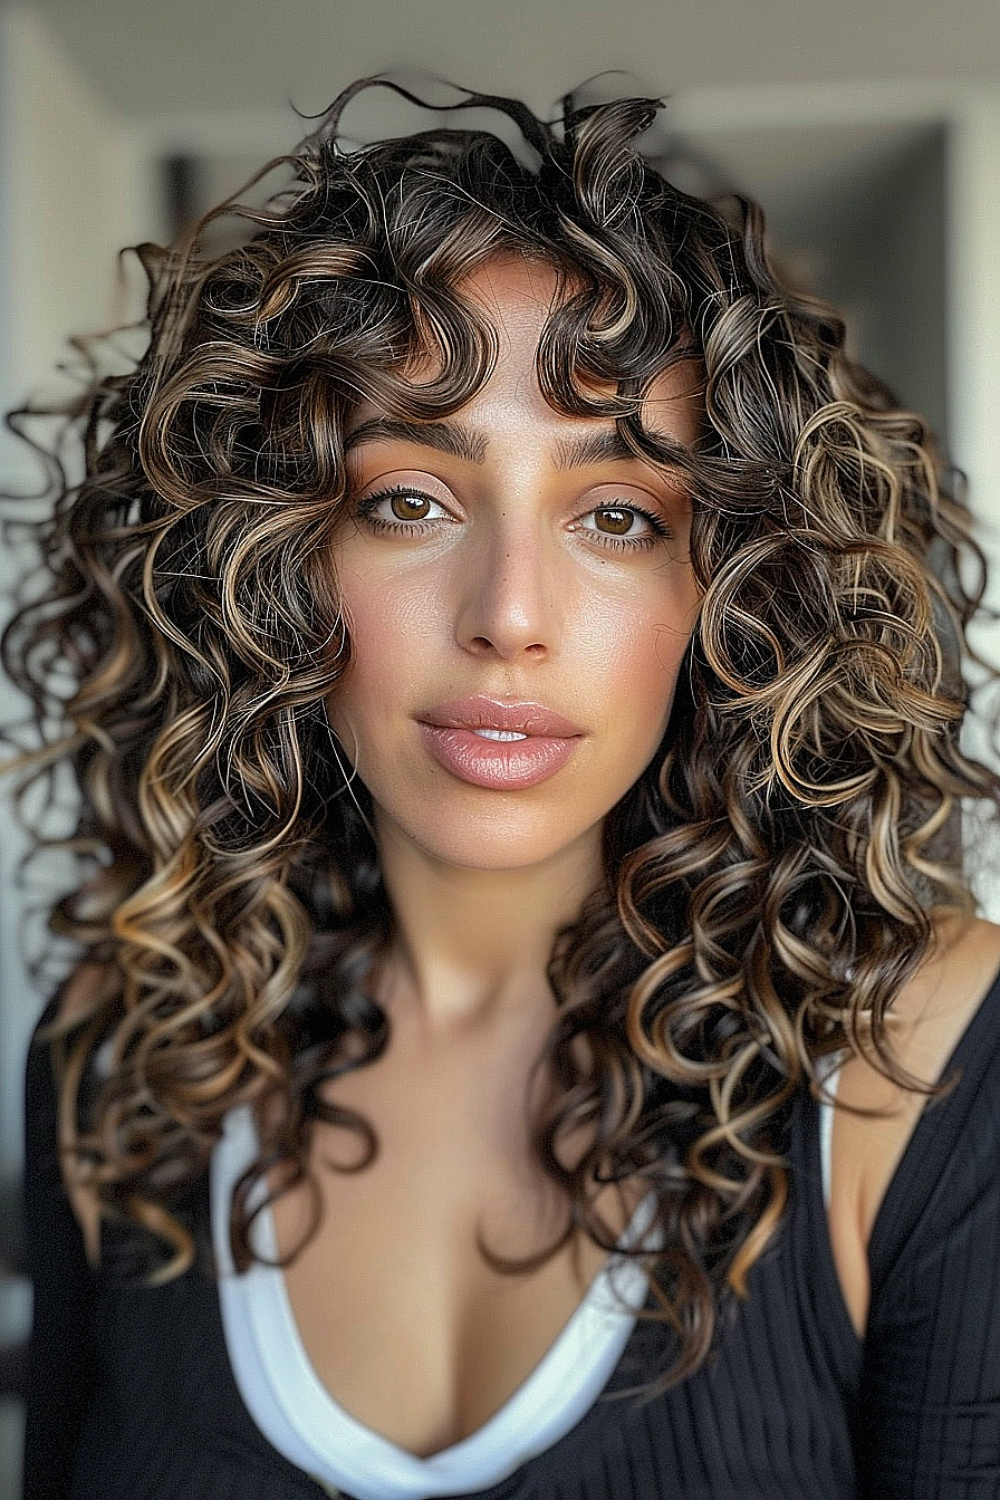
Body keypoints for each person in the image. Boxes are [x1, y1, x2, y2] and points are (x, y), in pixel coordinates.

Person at [6, 76, 1000, 1500]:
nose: (510, 615)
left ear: (737, 591)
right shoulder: (122, 1057)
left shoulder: (923, 1061)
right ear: (268, 564)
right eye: (407, 499)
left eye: (617, 515)